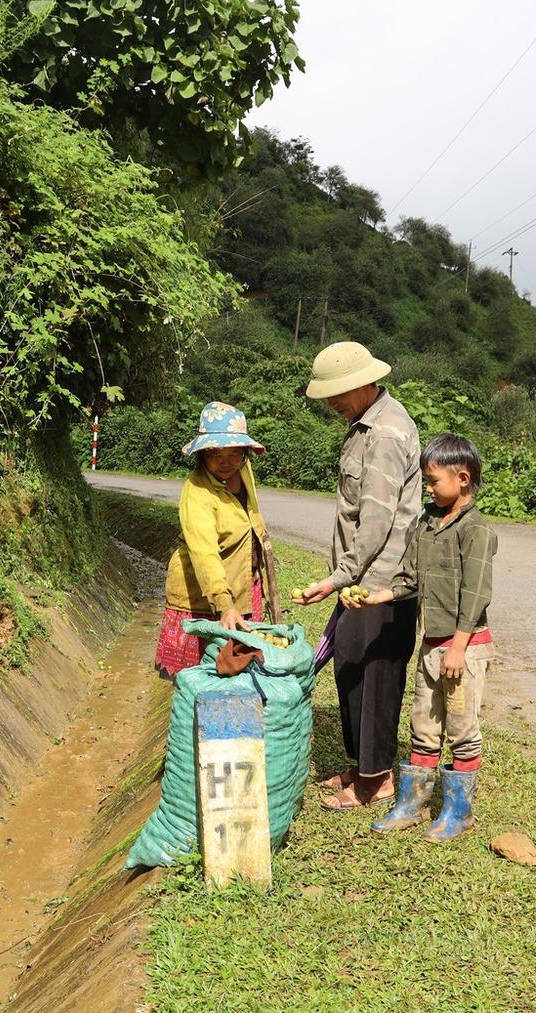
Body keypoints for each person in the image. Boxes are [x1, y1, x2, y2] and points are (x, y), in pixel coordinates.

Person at [345, 434, 497, 841]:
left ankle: (458, 812)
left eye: (433, 482)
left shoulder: (477, 531)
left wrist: (459, 648)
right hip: (432, 646)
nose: (427, 489)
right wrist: (377, 596)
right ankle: (411, 804)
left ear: (462, 479)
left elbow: (476, 593)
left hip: (462, 648)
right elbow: (409, 578)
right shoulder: (426, 524)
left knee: (462, 729)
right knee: (424, 725)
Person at [291, 341, 422, 811]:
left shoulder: (385, 434)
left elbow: (377, 519)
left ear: (365, 383)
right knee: (349, 662)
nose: (332, 404)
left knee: (376, 675)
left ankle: (376, 779)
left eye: (338, 393)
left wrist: (339, 577)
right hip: (361, 577)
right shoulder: (364, 424)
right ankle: (362, 763)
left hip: (381, 581)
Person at [155, 402, 272, 679]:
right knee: (199, 681)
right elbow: (204, 553)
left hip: (244, 583)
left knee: (241, 673)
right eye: (216, 454)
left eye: (234, 454)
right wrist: (224, 603)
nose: (226, 462)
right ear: (203, 454)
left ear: (245, 453)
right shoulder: (196, 491)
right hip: (203, 596)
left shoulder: (243, 470)